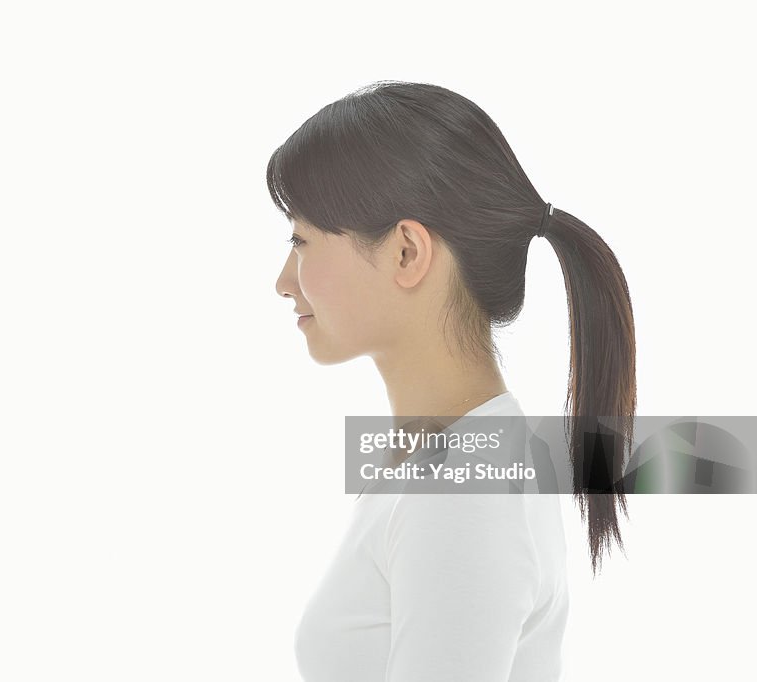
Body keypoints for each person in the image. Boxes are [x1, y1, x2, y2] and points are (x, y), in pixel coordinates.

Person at [270, 81, 637, 681]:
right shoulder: (451, 465)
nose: (284, 281)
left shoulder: (464, 492)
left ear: (407, 253)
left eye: (301, 240)